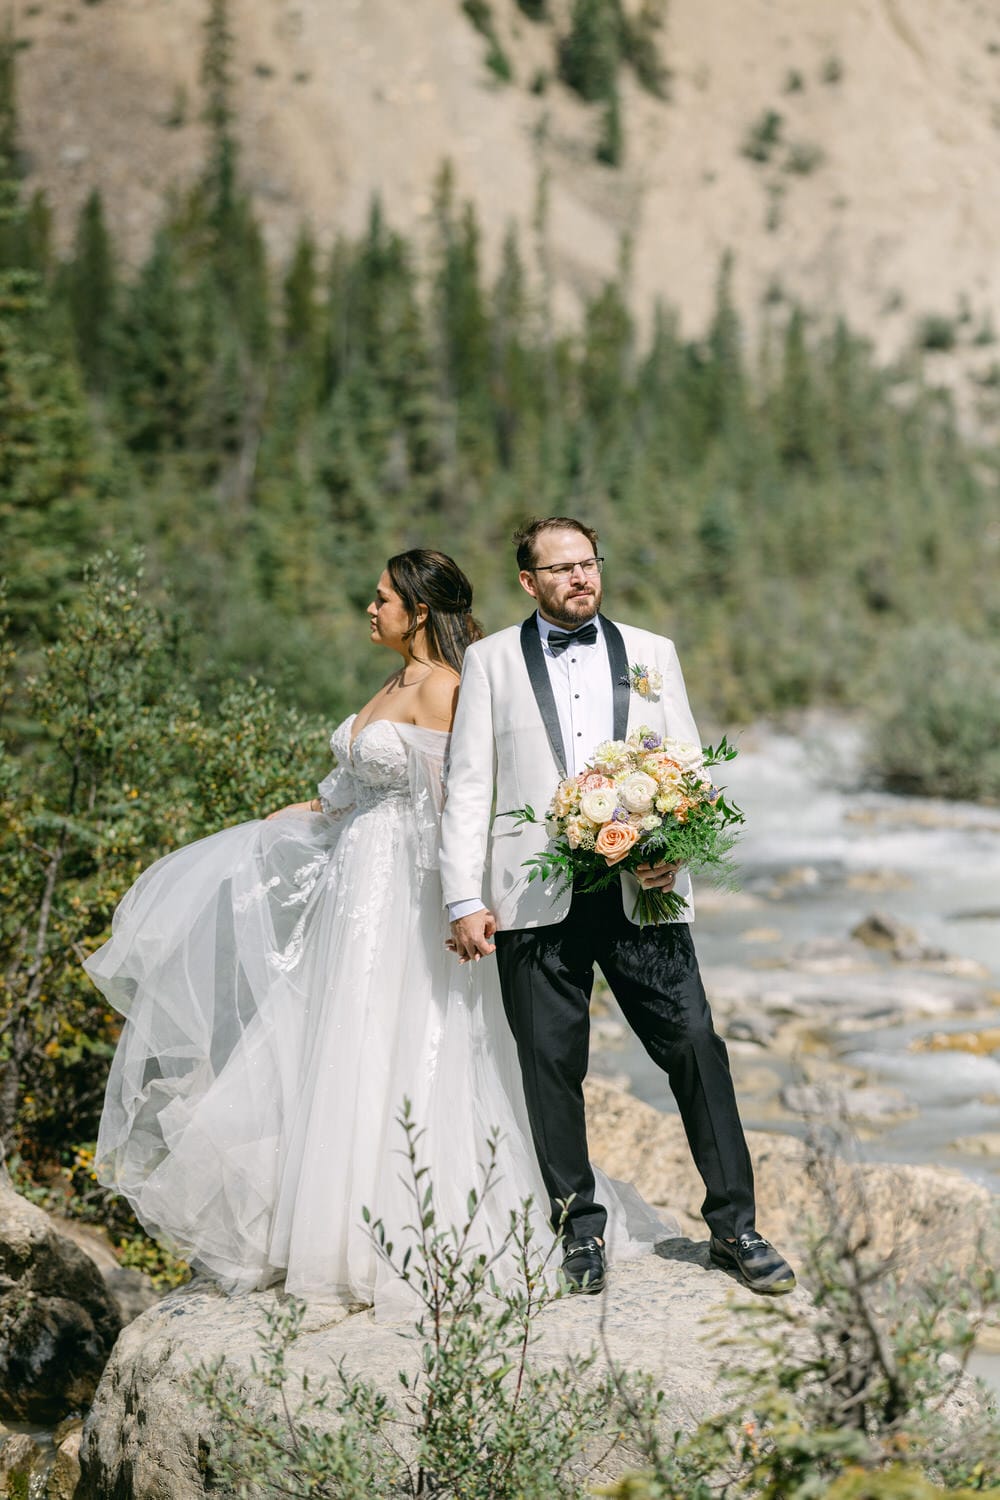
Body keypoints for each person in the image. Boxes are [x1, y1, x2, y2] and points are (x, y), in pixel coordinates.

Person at [85, 549, 668, 1317]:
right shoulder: (395, 681)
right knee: (343, 1041)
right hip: (356, 885)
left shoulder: (447, 689)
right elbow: (355, 790)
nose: (371, 607)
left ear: (418, 611)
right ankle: (327, 1230)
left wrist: (466, 904)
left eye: (383, 597)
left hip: (410, 891)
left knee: (412, 1036)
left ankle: (409, 1235)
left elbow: (468, 803)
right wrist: (295, 819)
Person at [441, 517, 796, 1297]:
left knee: (697, 1045)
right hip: (535, 897)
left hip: (645, 890)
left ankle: (736, 1227)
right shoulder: (490, 660)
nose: (580, 578)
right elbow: (469, 784)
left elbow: (689, 763)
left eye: (589, 564)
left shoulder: (653, 653)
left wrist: (678, 841)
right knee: (550, 1068)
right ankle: (579, 1233)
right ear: (529, 581)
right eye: (560, 568)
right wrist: (464, 895)